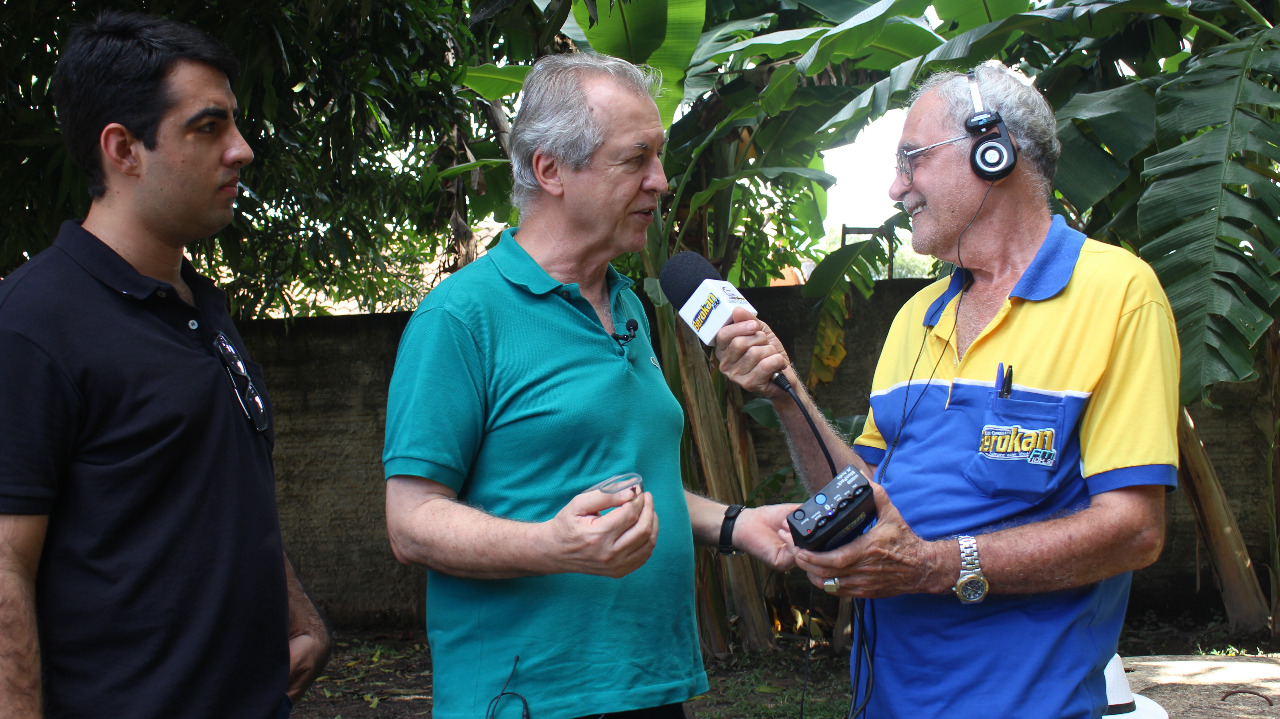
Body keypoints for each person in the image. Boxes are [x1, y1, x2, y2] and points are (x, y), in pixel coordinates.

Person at [715, 60, 1179, 718]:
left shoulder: (1116, 294)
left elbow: (1135, 530)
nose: (894, 187)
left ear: (994, 150)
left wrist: (938, 564)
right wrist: (787, 394)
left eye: (912, 159)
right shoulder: (915, 317)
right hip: (884, 703)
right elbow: (858, 499)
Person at [382, 52, 797, 719]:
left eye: (658, 158)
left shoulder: (629, 304)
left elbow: (623, 479)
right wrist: (551, 545)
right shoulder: (462, 317)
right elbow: (411, 521)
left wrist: (735, 524)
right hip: (528, 698)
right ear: (550, 170)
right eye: (635, 160)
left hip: (651, 686)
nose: (661, 182)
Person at [0, 12, 329, 718]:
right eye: (207, 127)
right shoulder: (31, 324)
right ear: (123, 149)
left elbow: (217, 487)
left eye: (235, 124)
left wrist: (297, 613)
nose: (240, 150)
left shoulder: (200, 307)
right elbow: (4, 568)